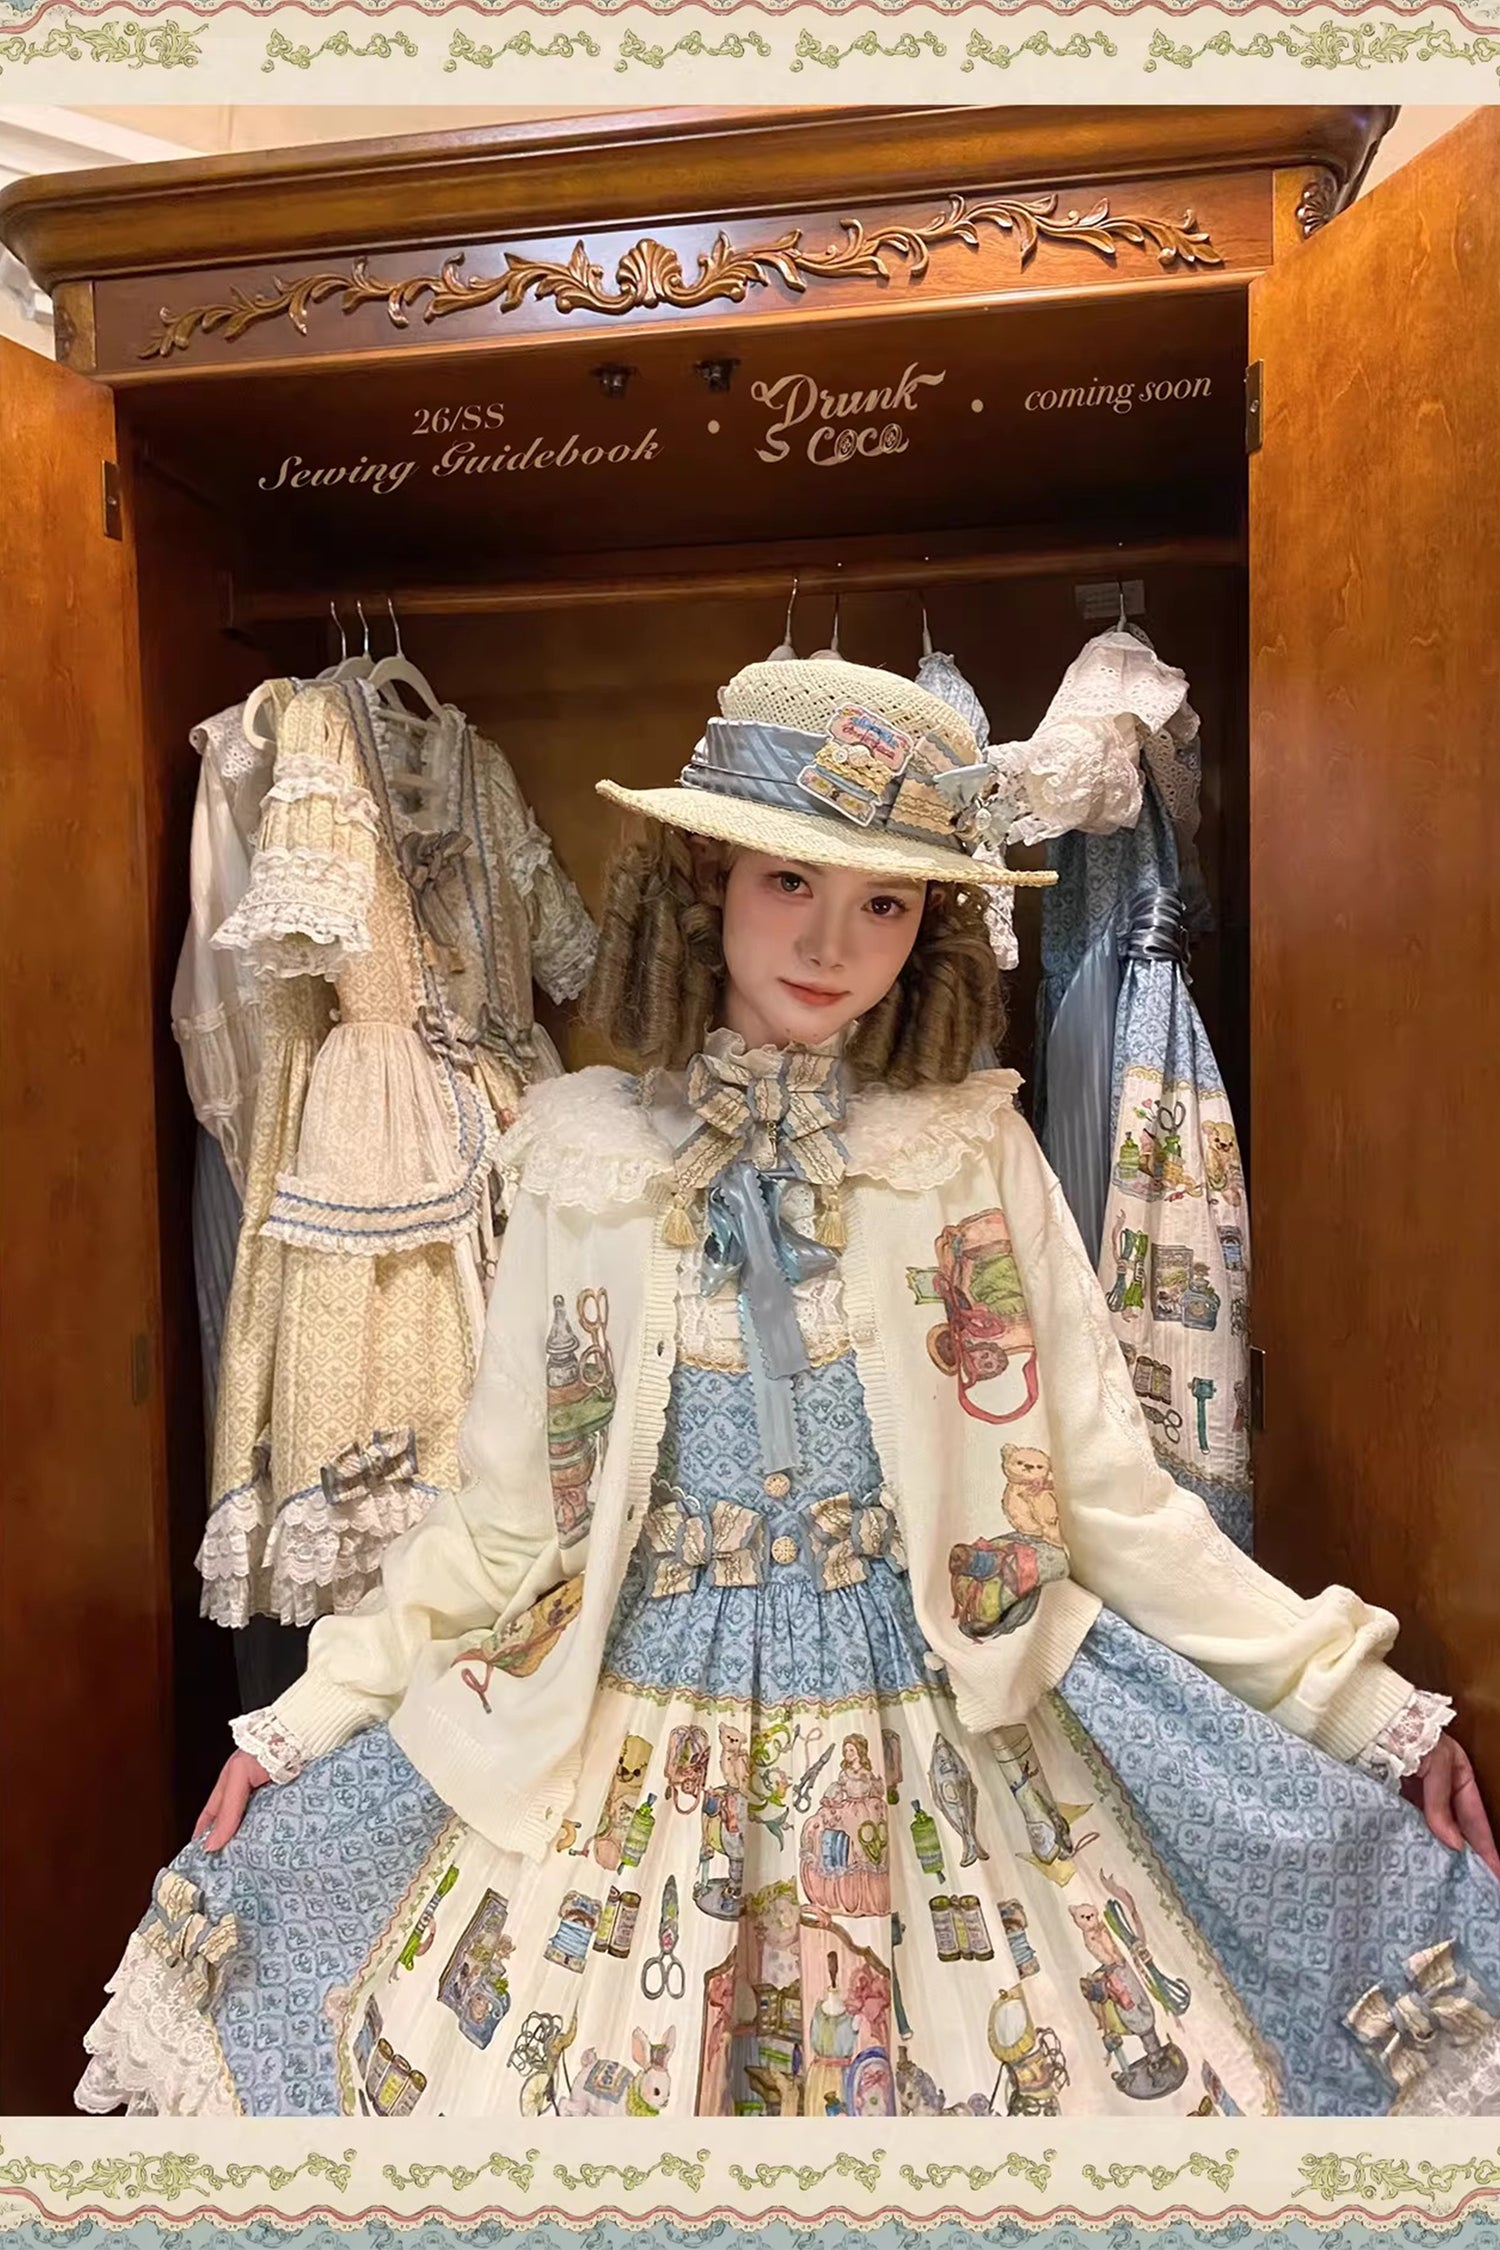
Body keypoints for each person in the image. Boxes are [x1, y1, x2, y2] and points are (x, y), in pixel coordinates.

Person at [80, 653, 1500, 2122]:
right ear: (705, 886)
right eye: (790, 885)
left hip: (946, 1725)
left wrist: (1359, 1705)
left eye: (885, 904)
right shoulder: (578, 1155)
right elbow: (503, 1521)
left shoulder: (966, 1149)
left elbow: (1104, 1493)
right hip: (629, 1733)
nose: (832, 943)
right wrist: (310, 1719)